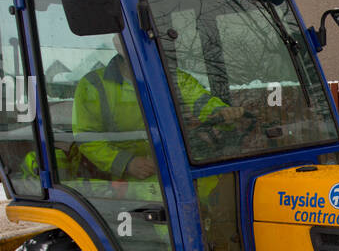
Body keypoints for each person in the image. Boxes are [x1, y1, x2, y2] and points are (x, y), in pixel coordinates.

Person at [71, 35, 246, 183]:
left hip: (173, 166)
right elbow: (87, 138)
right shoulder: (93, 85)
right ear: (118, 44)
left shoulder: (174, 78)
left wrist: (221, 112)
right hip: (124, 182)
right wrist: (126, 162)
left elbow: (201, 100)